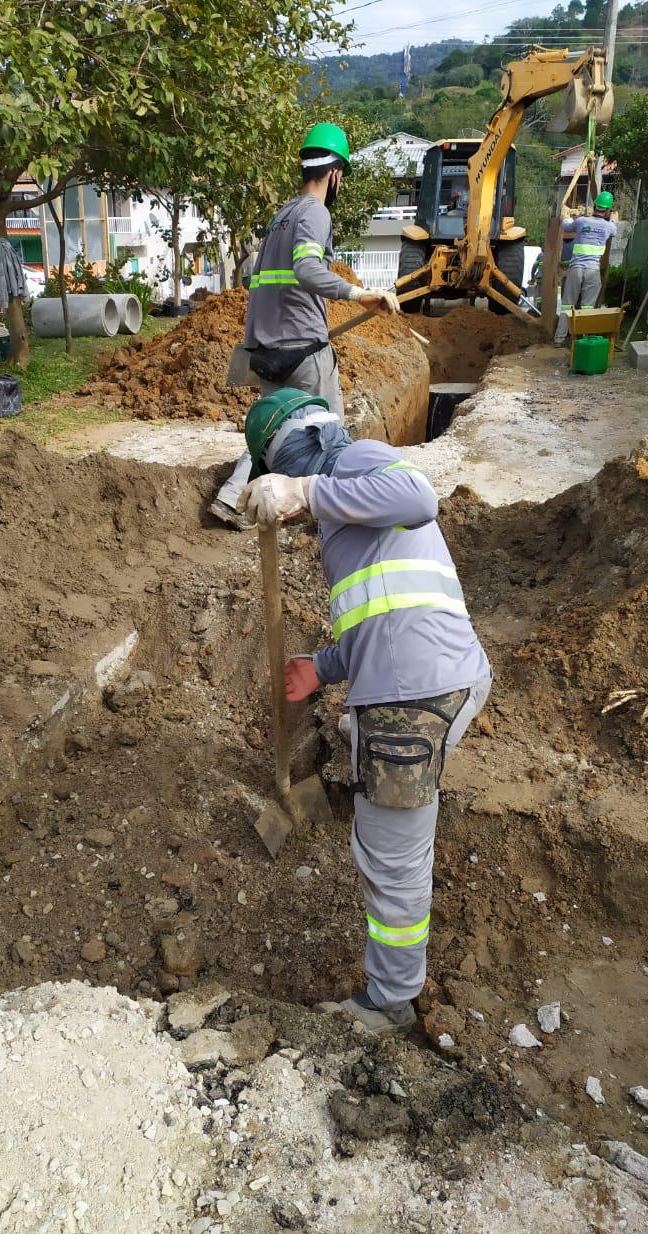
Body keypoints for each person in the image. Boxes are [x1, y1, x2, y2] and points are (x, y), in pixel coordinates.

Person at [238, 405, 492, 1034]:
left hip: (412, 701)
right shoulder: (346, 521)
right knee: (388, 835)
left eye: (280, 472)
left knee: (391, 858)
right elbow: (382, 611)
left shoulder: (353, 462)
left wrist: (304, 488)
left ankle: (390, 1003)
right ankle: (396, 985)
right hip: (428, 678)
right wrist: (322, 670)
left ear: (294, 450)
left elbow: (418, 493)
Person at [209, 122, 399, 529]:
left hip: (269, 350)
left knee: (276, 431)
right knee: (328, 431)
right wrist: (358, 294)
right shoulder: (315, 212)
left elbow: (262, 284)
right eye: (342, 177)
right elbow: (308, 269)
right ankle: (336, 517)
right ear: (334, 174)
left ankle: (233, 499)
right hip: (304, 351)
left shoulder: (282, 216)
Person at [554, 190, 616, 345]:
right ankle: (582, 340)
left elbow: (566, 226)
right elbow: (614, 227)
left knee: (568, 304)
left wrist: (566, 214)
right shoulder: (609, 227)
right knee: (587, 307)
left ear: (594, 206)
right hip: (593, 271)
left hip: (576, 269)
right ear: (608, 210)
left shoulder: (582, 221)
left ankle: (559, 338)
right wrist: (614, 219)